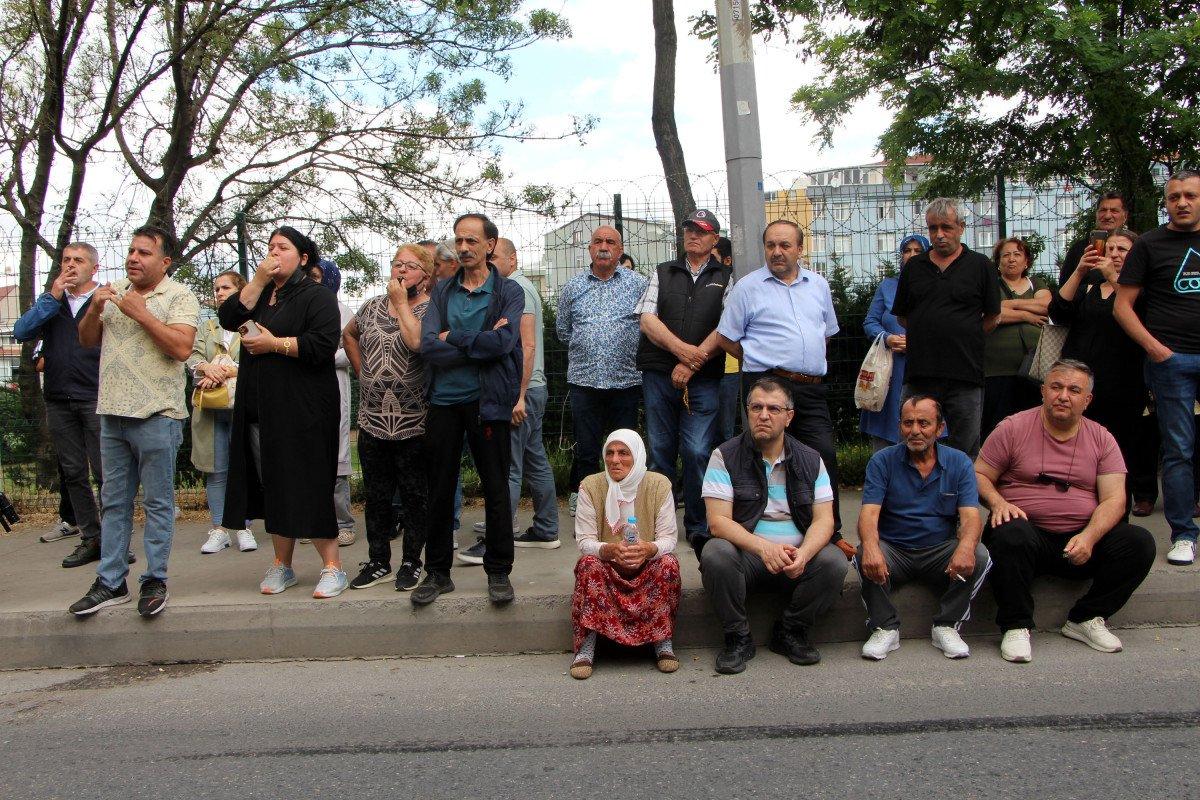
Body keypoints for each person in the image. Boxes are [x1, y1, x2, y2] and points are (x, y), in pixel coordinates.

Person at [975, 359, 1155, 662]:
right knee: (1008, 532)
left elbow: (1115, 500)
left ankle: (1086, 618)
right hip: (1026, 536)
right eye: (1056, 387)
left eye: (1074, 390)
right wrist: (998, 502)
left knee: (1139, 543)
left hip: (1081, 541)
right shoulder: (1013, 427)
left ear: (1087, 400)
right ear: (1043, 391)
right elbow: (979, 475)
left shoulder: (1102, 438)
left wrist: (1089, 537)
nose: (1063, 396)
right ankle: (1016, 626)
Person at [68, 226, 199, 618]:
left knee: (158, 504)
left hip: (157, 415)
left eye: (144, 253)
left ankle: (155, 579)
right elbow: (86, 341)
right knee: (113, 502)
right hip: (112, 414)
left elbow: (182, 348)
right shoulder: (114, 292)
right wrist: (94, 309)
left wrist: (141, 313)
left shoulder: (179, 295)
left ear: (165, 261)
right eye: (131, 251)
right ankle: (111, 582)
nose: (133, 258)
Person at [219, 226, 345, 598]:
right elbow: (228, 316)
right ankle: (282, 565)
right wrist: (257, 280)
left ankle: (332, 567)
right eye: (270, 247)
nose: (273, 253)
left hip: (305, 409)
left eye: (283, 247)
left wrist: (273, 344)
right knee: (274, 485)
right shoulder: (260, 294)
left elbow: (322, 345)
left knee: (310, 483)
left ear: (302, 258)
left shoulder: (317, 296)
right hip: (261, 407)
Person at [700, 377, 848, 673]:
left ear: (789, 417)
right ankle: (738, 637)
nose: (763, 415)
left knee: (834, 560)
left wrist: (804, 553)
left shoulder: (811, 459)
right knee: (715, 553)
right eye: (756, 407)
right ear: (747, 412)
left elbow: (825, 520)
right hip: (749, 556)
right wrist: (763, 548)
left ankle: (791, 630)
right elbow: (717, 522)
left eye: (773, 409)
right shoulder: (724, 456)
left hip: (796, 557)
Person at [414, 212, 524, 606]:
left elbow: (504, 343)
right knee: (439, 490)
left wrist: (455, 338)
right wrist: (478, 342)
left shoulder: (508, 292)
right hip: (443, 402)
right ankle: (437, 573)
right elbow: (429, 346)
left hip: (488, 403)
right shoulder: (443, 290)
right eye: (458, 240)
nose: (463, 248)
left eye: (471, 241)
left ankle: (499, 571)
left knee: (496, 488)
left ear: (490, 245)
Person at [718, 219, 845, 537]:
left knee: (822, 454)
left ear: (800, 249)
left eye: (785, 245)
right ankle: (757, 525)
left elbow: (826, 334)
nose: (777, 252)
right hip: (768, 386)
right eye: (771, 245)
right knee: (765, 456)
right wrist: (759, 359)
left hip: (810, 388)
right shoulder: (747, 287)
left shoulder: (818, 285)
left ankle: (829, 533)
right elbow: (726, 338)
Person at [857, 395, 990, 660]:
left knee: (979, 555)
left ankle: (947, 625)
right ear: (900, 427)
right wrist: (871, 547)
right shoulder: (882, 461)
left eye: (924, 423)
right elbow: (869, 514)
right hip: (895, 550)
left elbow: (971, 517)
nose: (915, 430)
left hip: (940, 551)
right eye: (908, 423)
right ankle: (885, 627)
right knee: (863, 553)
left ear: (940, 428)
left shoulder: (959, 462)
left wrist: (965, 547)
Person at [1115, 170, 1200, 566]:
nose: (1182, 202)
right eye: (1174, 196)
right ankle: (1183, 534)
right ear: (1165, 202)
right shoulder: (1149, 244)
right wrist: (1156, 349)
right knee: (1178, 450)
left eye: (1190, 195)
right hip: (1172, 362)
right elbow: (1122, 306)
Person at [637, 208, 733, 548]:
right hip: (658, 376)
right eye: (689, 229)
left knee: (697, 451)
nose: (693, 235)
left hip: (704, 380)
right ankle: (660, 527)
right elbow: (647, 319)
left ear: (714, 239)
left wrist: (692, 364)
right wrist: (682, 352)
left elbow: (727, 327)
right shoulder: (663, 271)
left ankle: (698, 525)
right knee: (660, 452)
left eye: (701, 231)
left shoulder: (727, 277)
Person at [343, 243, 434, 592]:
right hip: (372, 419)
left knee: (414, 497)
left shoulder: (431, 309)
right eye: (397, 264)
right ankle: (378, 560)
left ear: (425, 276)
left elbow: (418, 343)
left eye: (410, 266)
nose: (401, 270)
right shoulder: (370, 307)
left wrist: (401, 304)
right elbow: (349, 334)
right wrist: (362, 371)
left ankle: (412, 562)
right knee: (377, 496)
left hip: (414, 420)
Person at [463, 238, 560, 561]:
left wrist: (518, 396)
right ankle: (546, 528)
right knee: (534, 458)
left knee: (509, 466)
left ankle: (497, 538)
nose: (488, 263)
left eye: (494, 258)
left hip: (522, 389)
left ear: (513, 260)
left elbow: (527, 346)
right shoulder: (514, 288)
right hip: (531, 387)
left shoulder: (516, 290)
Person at [1051, 228, 1158, 516]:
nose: (1113, 254)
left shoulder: (1142, 289)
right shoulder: (1090, 285)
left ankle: (1120, 508)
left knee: (1122, 446)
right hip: (1083, 381)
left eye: (1122, 249)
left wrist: (1114, 277)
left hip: (1123, 381)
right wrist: (1079, 271)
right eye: (1109, 248)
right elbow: (1058, 312)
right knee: (1080, 445)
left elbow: (1139, 313)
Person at [13, 242, 106, 568]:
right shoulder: (52, 302)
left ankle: (114, 541)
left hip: (95, 397)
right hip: (58, 399)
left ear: (94, 268)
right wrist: (51, 297)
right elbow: (21, 331)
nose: (70, 265)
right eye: (66, 259)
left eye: (78, 260)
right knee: (74, 473)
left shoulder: (104, 298)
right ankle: (90, 538)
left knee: (105, 473)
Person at [892, 198, 1002, 458]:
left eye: (946, 227)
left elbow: (993, 317)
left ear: (961, 227)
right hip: (920, 374)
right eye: (933, 228)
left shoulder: (981, 266)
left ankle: (960, 488)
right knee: (913, 446)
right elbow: (903, 318)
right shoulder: (914, 268)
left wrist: (964, 335)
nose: (939, 234)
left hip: (965, 375)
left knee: (965, 451)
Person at [569, 429, 681, 679]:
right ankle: (586, 647)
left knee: (668, 564)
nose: (615, 460)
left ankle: (662, 642)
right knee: (588, 564)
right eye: (609, 453)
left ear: (637, 456)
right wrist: (609, 550)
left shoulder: (658, 484)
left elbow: (669, 539)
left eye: (623, 453)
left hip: (646, 565)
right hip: (609, 567)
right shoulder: (591, 486)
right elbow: (584, 541)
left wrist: (648, 549)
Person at [556, 225, 647, 517]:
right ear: (590, 249)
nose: (603, 247)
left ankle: (626, 505)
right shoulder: (573, 287)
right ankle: (589, 507)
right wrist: (591, 345)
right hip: (585, 381)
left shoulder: (638, 284)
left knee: (625, 447)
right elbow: (563, 331)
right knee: (586, 448)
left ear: (620, 250)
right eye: (597, 241)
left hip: (626, 381)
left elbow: (649, 325)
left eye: (610, 242)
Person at [188, 270, 257, 555]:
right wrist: (207, 368)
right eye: (216, 288)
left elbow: (259, 359)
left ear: (240, 291)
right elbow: (192, 356)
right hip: (211, 409)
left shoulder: (252, 324)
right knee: (216, 470)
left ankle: (243, 527)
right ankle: (219, 529)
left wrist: (227, 370)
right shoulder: (207, 327)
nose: (219, 293)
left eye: (225, 288)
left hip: (242, 406)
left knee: (243, 467)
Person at [859, 234, 930, 451]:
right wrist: (887, 338)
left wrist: (918, 341)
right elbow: (870, 321)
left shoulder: (936, 286)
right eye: (907, 251)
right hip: (889, 370)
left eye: (918, 251)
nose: (912, 255)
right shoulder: (888, 286)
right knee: (886, 432)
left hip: (924, 366)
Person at [982, 237, 1051, 437]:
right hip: (996, 369)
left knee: (1033, 426)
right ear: (998, 262)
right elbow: (989, 312)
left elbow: (1047, 306)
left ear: (1026, 261)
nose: (1011, 259)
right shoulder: (991, 285)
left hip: (1035, 369)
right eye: (1006, 255)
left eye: (1017, 254)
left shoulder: (1036, 282)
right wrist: (1026, 315)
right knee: (997, 427)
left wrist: (1010, 305)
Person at [315, 258, 357, 547]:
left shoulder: (343, 312)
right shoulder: (302, 309)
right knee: (309, 456)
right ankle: (316, 520)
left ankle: (343, 522)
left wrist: (313, 353)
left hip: (333, 386)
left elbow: (350, 351)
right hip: (305, 390)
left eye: (317, 277)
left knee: (337, 456)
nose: (311, 282)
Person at [1058, 191, 1130, 286]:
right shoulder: (1079, 249)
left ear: (1125, 216)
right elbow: (1063, 287)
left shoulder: (1134, 246)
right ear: (1096, 214)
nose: (1107, 216)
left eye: (1114, 211)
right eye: (1103, 210)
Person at [712, 236, 742, 442]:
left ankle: (723, 461)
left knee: (723, 428)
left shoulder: (733, 288)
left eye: (713, 257)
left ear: (727, 261)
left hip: (728, 367)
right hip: (700, 363)